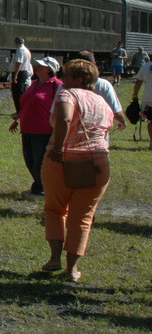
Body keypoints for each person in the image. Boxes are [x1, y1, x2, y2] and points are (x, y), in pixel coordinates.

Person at [41, 59, 113, 282]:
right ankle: (72, 269)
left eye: (67, 76)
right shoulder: (103, 102)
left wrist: (59, 148)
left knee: (55, 209)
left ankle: (54, 259)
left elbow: (63, 118)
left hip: (61, 160)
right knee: (83, 216)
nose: (62, 80)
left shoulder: (67, 94)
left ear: (78, 80)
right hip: (97, 161)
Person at [9, 57, 62, 200]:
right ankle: (39, 185)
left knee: (40, 162)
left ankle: (42, 188)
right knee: (30, 160)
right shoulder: (34, 84)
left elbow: (62, 107)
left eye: (41, 66)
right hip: (27, 128)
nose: (37, 66)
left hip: (44, 130)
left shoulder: (56, 85)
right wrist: (17, 119)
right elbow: (26, 103)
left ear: (50, 70)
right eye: (37, 64)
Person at [77, 50, 127, 131]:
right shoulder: (103, 85)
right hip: (97, 134)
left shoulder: (66, 85)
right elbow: (115, 110)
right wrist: (123, 122)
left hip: (73, 135)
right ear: (94, 65)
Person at [131, 55, 152, 150]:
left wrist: (135, 95)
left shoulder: (146, 66)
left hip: (148, 97)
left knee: (151, 121)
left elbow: (138, 82)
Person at [9, 37, 32, 115]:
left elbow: (19, 62)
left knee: (17, 93)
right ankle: (21, 111)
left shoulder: (20, 50)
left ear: (16, 43)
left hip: (20, 73)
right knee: (21, 92)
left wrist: (15, 74)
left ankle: (19, 111)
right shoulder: (26, 50)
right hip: (24, 72)